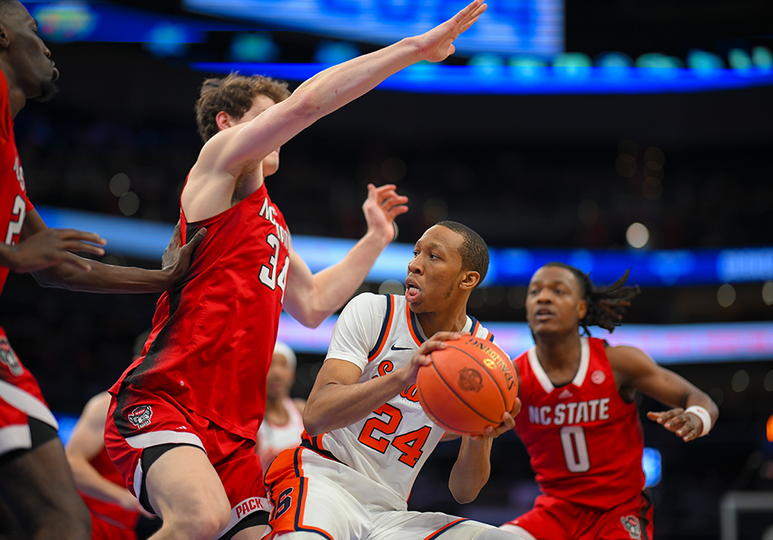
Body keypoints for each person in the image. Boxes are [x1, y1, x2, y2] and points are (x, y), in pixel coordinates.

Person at [104, 3, 489, 539]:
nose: (283, 126)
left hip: (235, 432)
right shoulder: (220, 164)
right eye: (269, 115)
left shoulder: (273, 225)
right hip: (170, 399)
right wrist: (414, 50)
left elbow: (311, 304)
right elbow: (309, 103)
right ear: (228, 122)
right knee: (199, 519)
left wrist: (376, 240)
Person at [0, 2, 202, 539]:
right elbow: (29, 258)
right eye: (34, 30)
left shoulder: (8, 150)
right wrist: (10, 256)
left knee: (58, 522)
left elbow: (57, 267)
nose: (47, 46)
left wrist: (162, 280)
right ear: (1, 35)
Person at [263, 221, 522, 540]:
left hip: (391, 509)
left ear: (468, 279)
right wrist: (402, 377)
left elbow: (464, 492)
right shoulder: (374, 312)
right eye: (416, 253)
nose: (414, 264)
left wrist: (482, 434)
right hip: (325, 479)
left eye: (434, 256)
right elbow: (316, 416)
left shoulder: (487, 359)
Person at [499, 263, 720, 540]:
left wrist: (696, 417)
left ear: (581, 308)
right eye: (535, 292)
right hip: (556, 511)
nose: (543, 297)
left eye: (558, 291)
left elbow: (700, 399)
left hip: (619, 510)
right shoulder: (511, 378)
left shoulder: (617, 362)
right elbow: (455, 429)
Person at [65, 331, 161, 540]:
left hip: (123, 528)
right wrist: (122, 498)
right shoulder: (107, 404)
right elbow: (71, 463)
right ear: (139, 361)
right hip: (88, 521)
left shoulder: (164, 416)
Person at [256, 341, 305, 470]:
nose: (277, 372)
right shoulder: (253, 423)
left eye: (283, 365)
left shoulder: (301, 410)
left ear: (292, 375)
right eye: (271, 364)